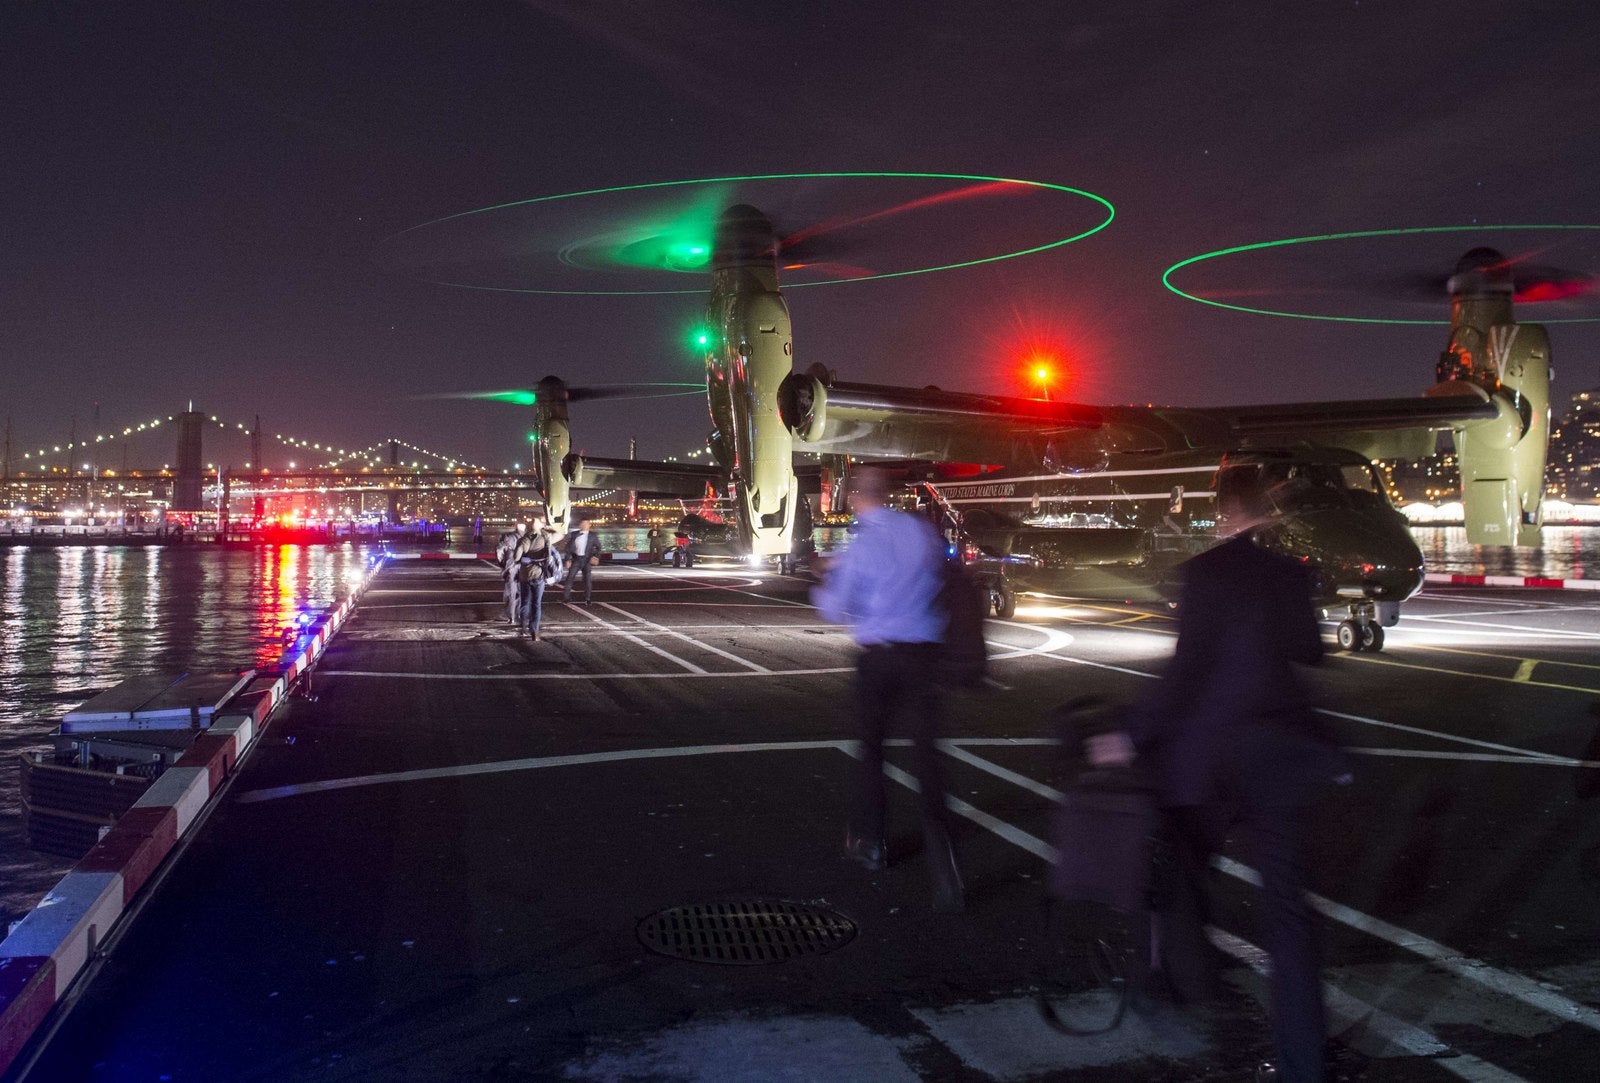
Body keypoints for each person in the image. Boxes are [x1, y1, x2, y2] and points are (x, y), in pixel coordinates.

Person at [1088, 477, 1347, 1083]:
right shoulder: (1289, 573)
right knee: (1288, 911)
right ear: (1267, 513)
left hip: (1206, 755)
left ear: (1227, 513)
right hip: (1275, 754)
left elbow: (1187, 670)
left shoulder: (1204, 573)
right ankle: (1302, 1062)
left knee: (1180, 870)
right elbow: (1309, 650)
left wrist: (1131, 733)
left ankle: (1176, 986)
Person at [813, 467, 964, 913]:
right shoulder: (920, 532)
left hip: (880, 657)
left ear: (859, 497)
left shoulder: (861, 545)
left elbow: (835, 609)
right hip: (924, 654)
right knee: (929, 759)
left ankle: (871, 843)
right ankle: (946, 865)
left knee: (872, 752)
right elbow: (941, 576)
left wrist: (823, 576)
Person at [512, 516, 556, 639]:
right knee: (536, 604)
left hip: (524, 575)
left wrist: (524, 558)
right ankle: (534, 631)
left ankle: (523, 627)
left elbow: (516, 558)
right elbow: (548, 556)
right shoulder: (546, 537)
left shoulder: (524, 539)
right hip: (538, 574)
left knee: (525, 602)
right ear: (541, 526)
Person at [562, 518, 604, 605]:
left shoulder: (592, 536)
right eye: (583, 524)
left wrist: (596, 557)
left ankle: (587, 598)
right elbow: (568, 548)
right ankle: (566, 598)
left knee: (587, 580)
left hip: (587, 560)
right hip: (576, 559)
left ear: (589, 525)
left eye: (586, 524)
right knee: (569, 578)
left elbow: (599, 547)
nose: (584, 526)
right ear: (580, 525)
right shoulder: (574, 534)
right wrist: (567, 559)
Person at [496, 520, 527, 624]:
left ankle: (511, 616)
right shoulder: (528, 538)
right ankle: (518, 614)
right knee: (522, 592)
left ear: (515, 526)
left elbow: (499, 551)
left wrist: (502, 564)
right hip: (524, 568)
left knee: (511, 593)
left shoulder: (508, 538)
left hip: (511, 568)